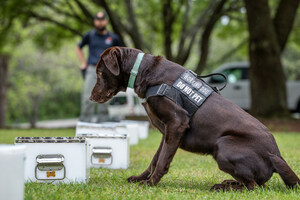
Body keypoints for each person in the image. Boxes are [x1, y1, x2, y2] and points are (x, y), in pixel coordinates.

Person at [76, 11, 122, 122]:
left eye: (102, 20)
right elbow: (78, 47)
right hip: (92, 69)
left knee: (105, 97)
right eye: (97, 20)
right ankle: (85, 123)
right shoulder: (89, 36)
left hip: (108, 71)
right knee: (88, 97)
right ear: (94, 21)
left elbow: (121, 54)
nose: (100, 23)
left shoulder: (113, 38)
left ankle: (104, 123)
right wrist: (83, 62)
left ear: (106, 21)